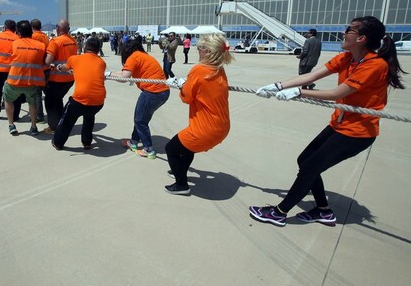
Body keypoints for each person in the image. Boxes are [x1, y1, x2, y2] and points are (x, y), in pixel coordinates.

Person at [250, 16, 406, 226]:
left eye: (349, 29)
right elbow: (312, 76)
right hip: (340, 124)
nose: (344, 32)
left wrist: (299, 93)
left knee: (309, 167)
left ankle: (279, 212)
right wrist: (278, 85)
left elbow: (336, 93)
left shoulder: (374, 65)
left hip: (357, 133)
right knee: (305, 161)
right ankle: (323, 210)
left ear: (361, 38)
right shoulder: (347, 58)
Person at [164, 33, 233, 195]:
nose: (198, 51)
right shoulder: (219, 69)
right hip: (222, 127)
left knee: (171, 149)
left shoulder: (199, 69)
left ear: (208, 52)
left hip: (205, 130)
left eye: (200, 48)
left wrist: (182, 85)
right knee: (187, 148)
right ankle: (180, 171)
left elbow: (186, 98)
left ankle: (181, 185)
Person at [108, 40, 170, 159]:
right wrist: (109, 73)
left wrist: (108, 76)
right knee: (141, 118)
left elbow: (124, 77)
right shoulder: (142, 55)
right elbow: (124, 72)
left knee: (140, 120)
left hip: (152, 92)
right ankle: (134, 142)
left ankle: (148, 149)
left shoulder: (133, 57)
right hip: (163, 92)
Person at [52, 37, 106, 150]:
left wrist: (58, 67)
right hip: (98, 102)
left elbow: (64, 68)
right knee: (89, 116)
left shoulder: (74, 59)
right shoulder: (102, 63)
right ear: (98, 50)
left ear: (85, 47)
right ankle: (86, 142)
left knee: (67, 119)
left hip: (80, 100)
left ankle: (58, 142)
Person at [4, 20, 46, 135]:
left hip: (14, 81)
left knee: (7, 99)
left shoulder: (14, 44)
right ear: (31, 31)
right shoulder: (41, 46)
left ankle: (11, 125)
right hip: (31, 82)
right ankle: (33, 126)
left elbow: (10, 59)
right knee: (32, 103)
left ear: (19, 32)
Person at [43, 19, 78, 134]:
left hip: (57, 79)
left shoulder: (55, 41)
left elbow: (48, 61)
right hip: (70, 78)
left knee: (50, 101)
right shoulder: (73, 41)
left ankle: (53, 127)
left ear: (58, 29)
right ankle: (60, 121)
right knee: (58, 100)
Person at [0, 20, 19, 120]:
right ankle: (15, 116)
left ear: (4, 28)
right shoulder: (17, 38)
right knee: (14, 93)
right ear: (15, 29)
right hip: (11, 70)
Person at [31, 18, 50, 124]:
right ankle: (52, 114)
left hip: (38, 69)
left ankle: (39, 116)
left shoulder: (34, 37)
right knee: (47, 93)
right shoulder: (45, 36)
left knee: (37, 94)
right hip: (47, 68)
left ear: (32, 27)